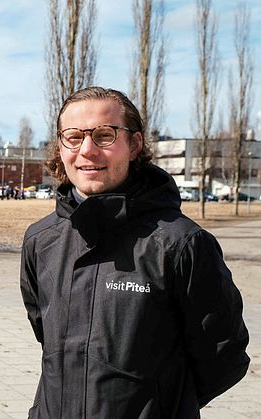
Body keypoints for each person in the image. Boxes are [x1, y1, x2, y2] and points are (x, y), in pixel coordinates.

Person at [20, 86, 250, 418]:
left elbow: (224, 356)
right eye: (73, 137)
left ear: (135, 144)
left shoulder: (180, 244)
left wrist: (158, 404)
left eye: (104, 135)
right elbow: (49, 338)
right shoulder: (41, 241)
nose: (87, 150)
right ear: (61, 146)